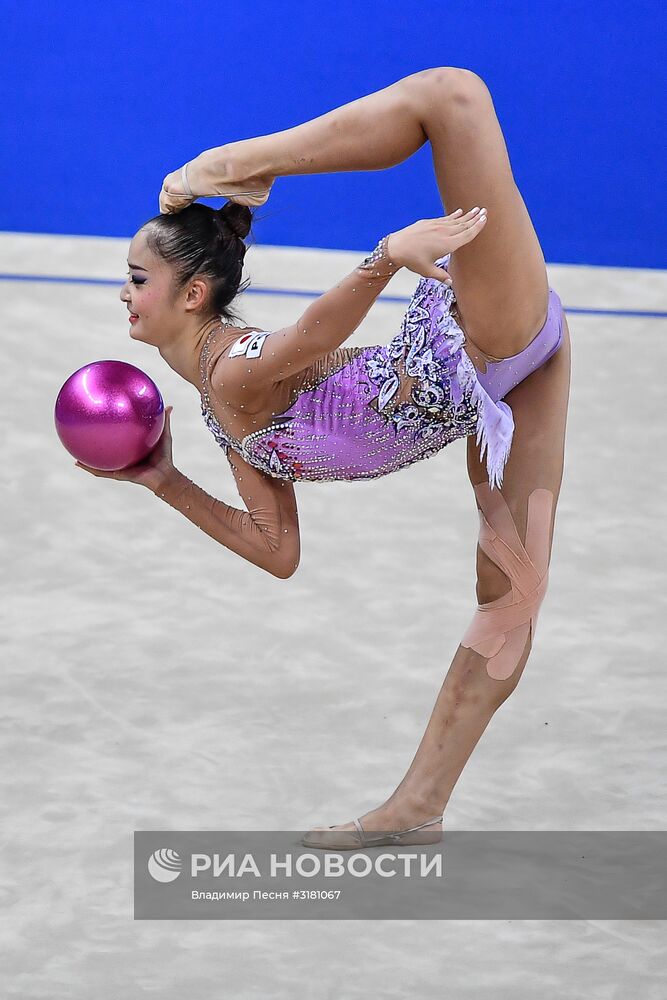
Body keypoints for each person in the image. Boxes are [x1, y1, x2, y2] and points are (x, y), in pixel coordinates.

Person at [77, 68, 571, 850]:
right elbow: (277, 552)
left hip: (483, 333)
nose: (124, 295)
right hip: (506, 389)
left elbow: (310, 338)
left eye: (137, 279)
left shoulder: (235, 371)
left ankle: (234, 164)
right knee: (508, 605)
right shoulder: (223, 408)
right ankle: (419, 806)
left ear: (193, 293)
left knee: (451, 97)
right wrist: (160, 477)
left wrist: (385, 254)